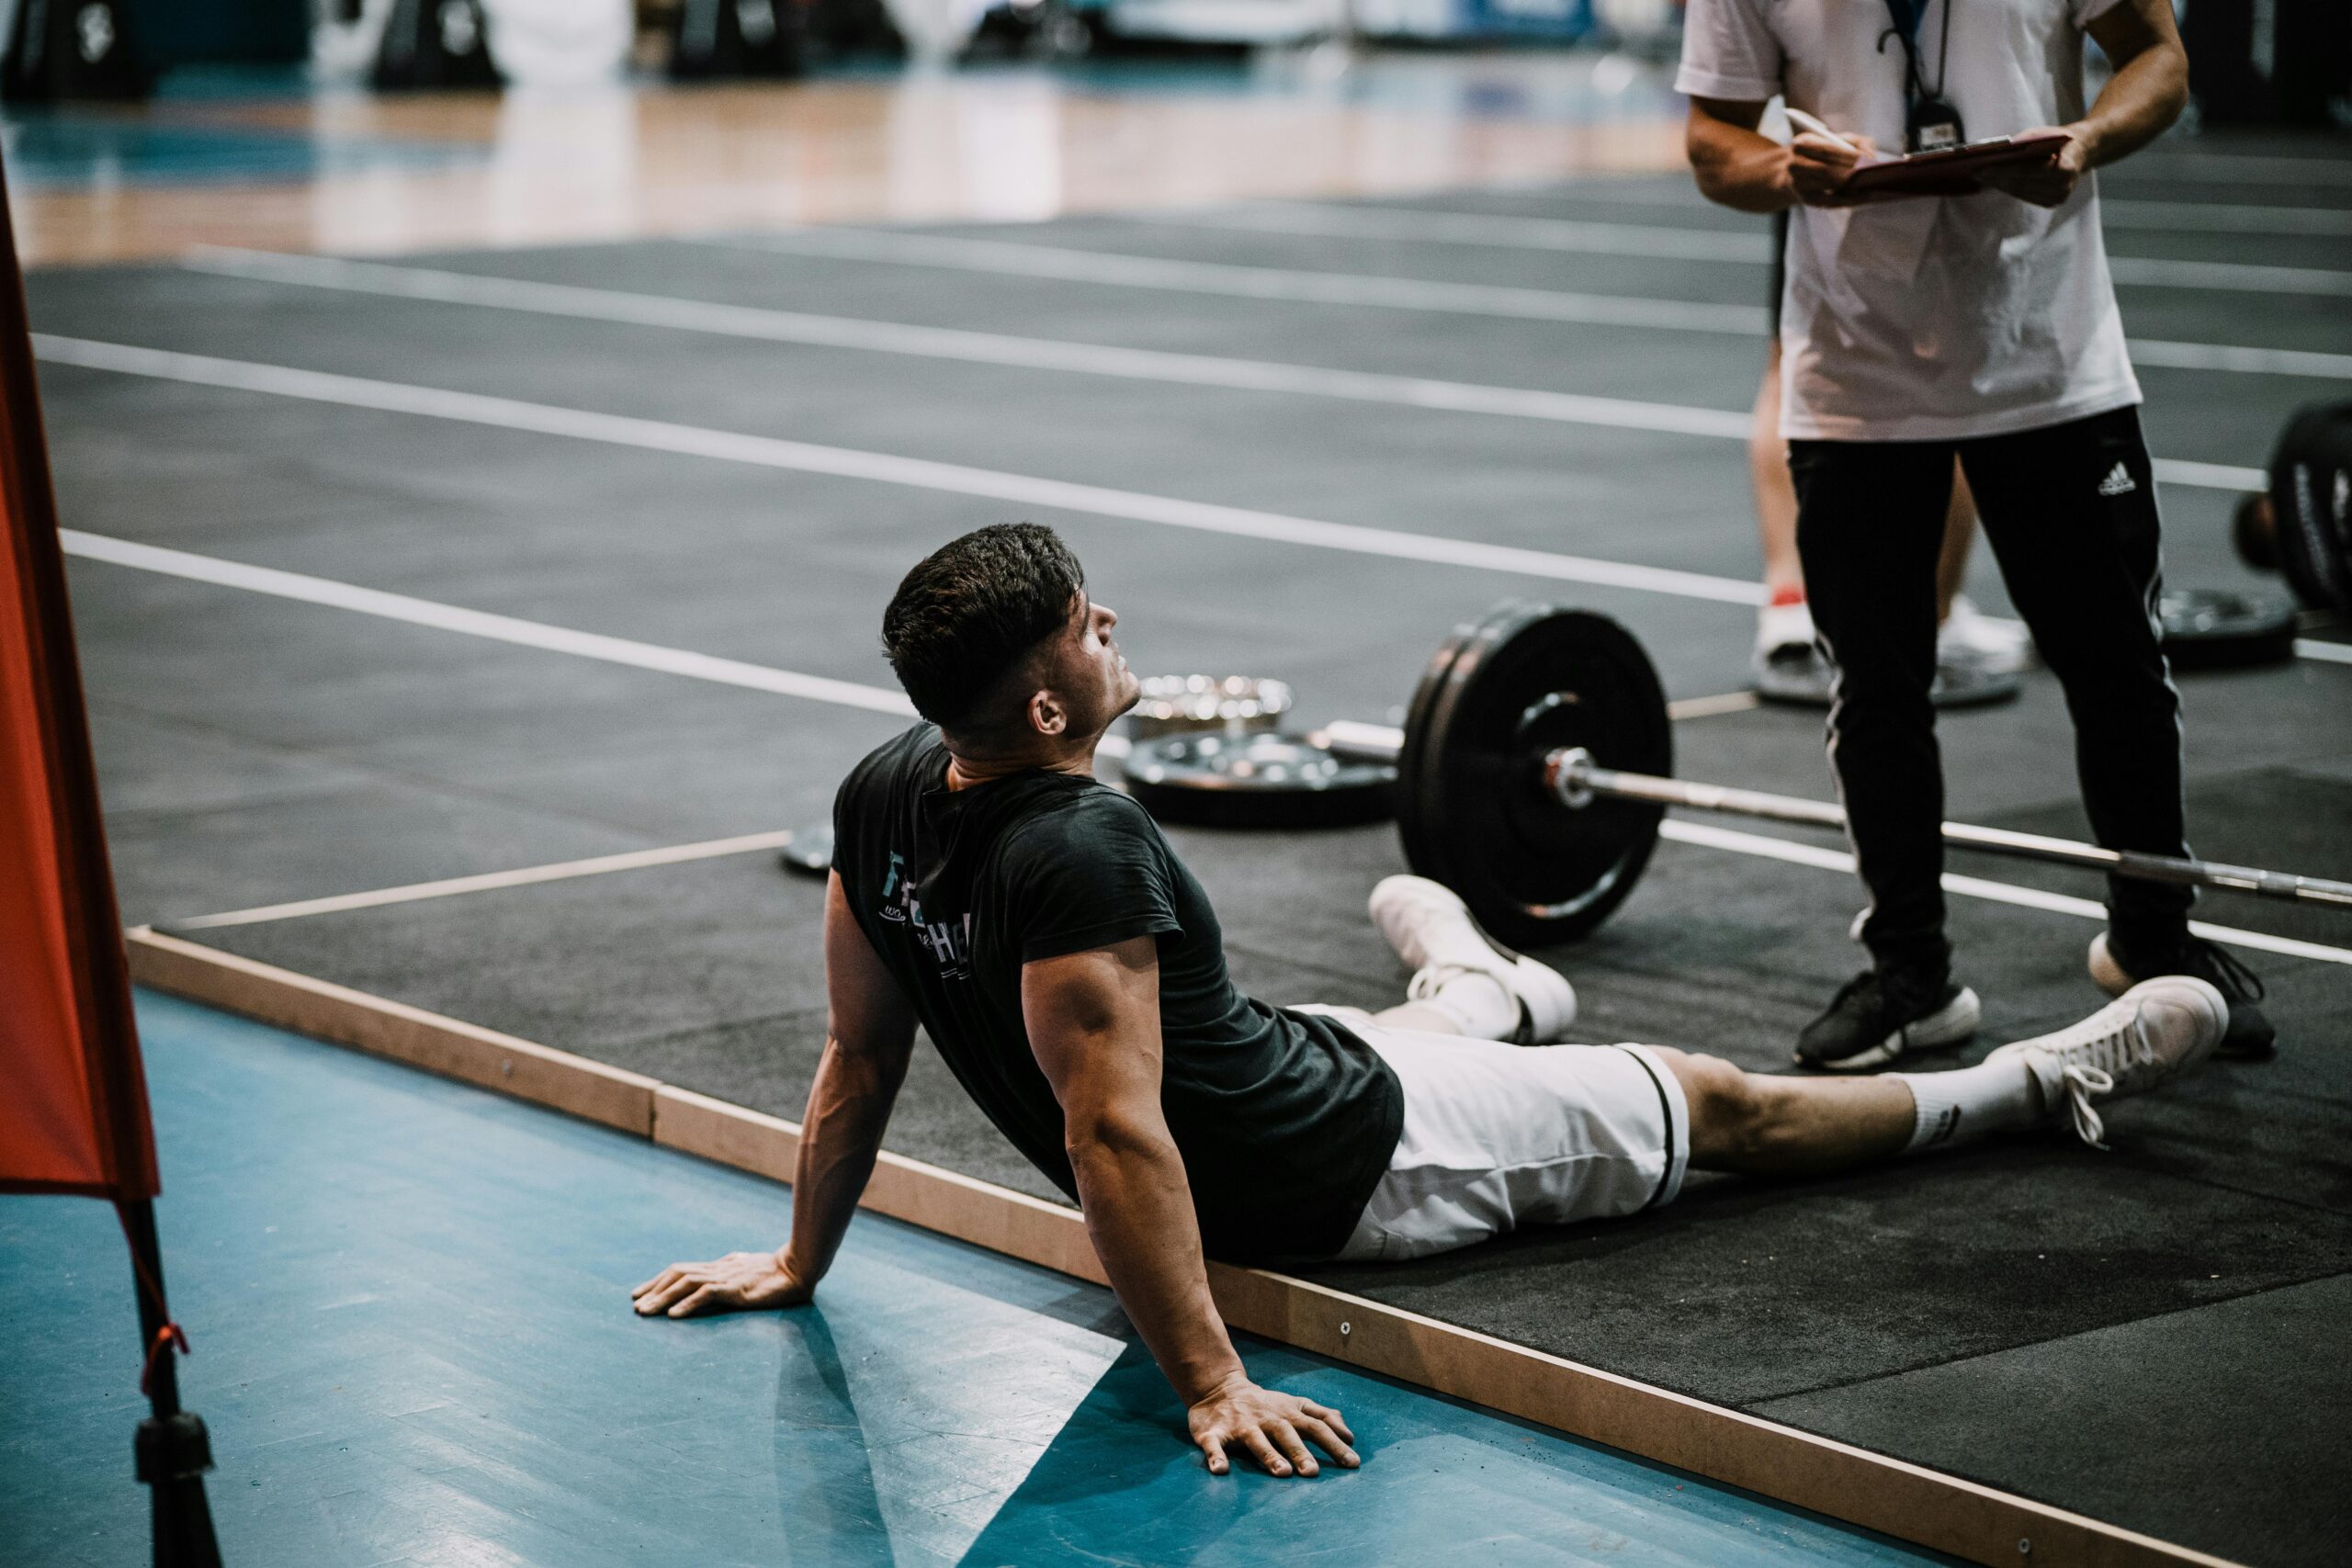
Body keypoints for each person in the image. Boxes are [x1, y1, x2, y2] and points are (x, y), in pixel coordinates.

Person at [632, 523, 2228, 1477]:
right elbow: (1112, 1139)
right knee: (1719, 1101)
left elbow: (858, 1052)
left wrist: (795, 1256)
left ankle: (1477, 979)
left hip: (1286, 1072)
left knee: (1364, 1029)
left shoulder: (885, 789)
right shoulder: (1082, 844)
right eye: (1086, 626)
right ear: (1048, 701)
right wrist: (1212, 1383)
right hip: (1367, 1166)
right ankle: (2038, 1080)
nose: (1112, 627)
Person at [1677, 0, 2273, 1068]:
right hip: (1856, 371)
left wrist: (2087, 138)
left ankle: (2153, 941)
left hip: (2049, 355)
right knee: (1877, 687)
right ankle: (1911, 971)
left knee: (2115, 668)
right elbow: (1712, 140)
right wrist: (1784, 173)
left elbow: (2157, 59)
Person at [1750, 216, 2031, 706]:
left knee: (1800, 357)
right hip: (1862, 171)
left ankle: (1925, 611)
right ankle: (1920, 614)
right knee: (1801, 357)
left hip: (1909, 169)